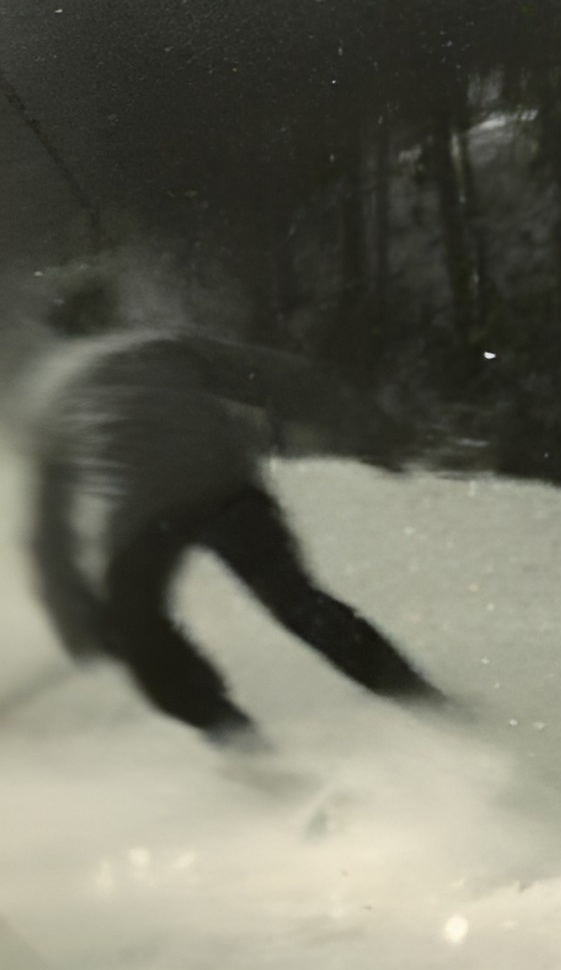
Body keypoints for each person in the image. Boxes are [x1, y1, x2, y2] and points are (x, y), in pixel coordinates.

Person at [9, 274, 453, 750]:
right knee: (297, 602)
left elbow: (48, 532)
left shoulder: (50, 391)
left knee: (140, 628)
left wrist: (81, 622)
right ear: (109, 318)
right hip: (226, 487)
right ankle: (421, 700)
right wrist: (376, 431)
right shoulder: (164, 345)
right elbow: (282, 379)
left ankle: (232, 736)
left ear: (60, 332)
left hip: (145, 514)